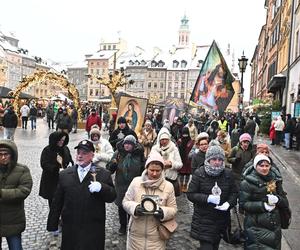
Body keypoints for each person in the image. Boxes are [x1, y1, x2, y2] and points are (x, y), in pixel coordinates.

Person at [47, 139, 116, 250]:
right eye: (78, 152)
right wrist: (53, 223)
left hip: (93, 227)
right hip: (71, 226)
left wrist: (102, 188)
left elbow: (112, 196)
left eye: (84, 153)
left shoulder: (103, 174)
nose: (80, 156)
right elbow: (57, 201)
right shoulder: (65, 175)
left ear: (92, 155)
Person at [122, 151, 177, 250]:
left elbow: (173, 209)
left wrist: (163, 212)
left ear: (162, 170)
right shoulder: (136, 182)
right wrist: (134, 208)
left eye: (158, 170)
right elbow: (125, 202)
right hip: (135, 236)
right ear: (146, 168)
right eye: (151, 170)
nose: (154, 174)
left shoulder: (168, 186)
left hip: (157, 238)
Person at [187, 145, 238, 250]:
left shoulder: (228, 174)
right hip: (204, 220)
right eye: (214, 159)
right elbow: (191, 194)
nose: (217, 162)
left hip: (221, 220)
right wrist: (207, 198)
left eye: (220, 159)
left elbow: (234, 192)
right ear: (208, 160)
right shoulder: (199, 173)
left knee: (215, 246)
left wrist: (228, 204)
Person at [239, 154, 289, 249]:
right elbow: (243, 204)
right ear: (255, 166)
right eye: (261, 166)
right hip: (256, 226)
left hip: (274, 225)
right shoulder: (247, 183)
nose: (264, 168)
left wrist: (278, 199)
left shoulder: (273, 180)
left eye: (267, 165)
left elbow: (284, 202)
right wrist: (262, 206)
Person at [106, 135, 145, 235]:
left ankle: (131, 226)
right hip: (121, 184)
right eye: (125, 143)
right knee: (121, 206)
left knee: (132, 207)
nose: (127, 146)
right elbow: (109, 169)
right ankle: (123, 226)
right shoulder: (118, 153)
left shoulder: (139, 155)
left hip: (134, 185)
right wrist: (112, 165)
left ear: (134, 145)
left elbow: (143, 169)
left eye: (129, 144)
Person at [0, 139, 33, 250]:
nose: (3, 157)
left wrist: (2, 194)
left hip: (13, 220)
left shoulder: (22, 170)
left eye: (6, 154)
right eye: (0, 154)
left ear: (12, 155)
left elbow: (24, 190)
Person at [39, 131, 73, 208]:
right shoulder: (47, 150)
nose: (62, 142)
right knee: (53, 203)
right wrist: (56, 169)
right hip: (52, 180)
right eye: (60, 140)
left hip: (64, 179)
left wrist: (70, 165)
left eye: (63, 140)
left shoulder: (65, 149)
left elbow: (69, 159)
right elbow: (44, 164)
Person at [150, 127, 183, 196]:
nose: (164, 141)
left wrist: (171, 164)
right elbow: (149, 163)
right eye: (162, 139)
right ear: (159, 139)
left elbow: (180, 164)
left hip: (171, 179)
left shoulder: (174, 149)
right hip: (157, 179)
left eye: (166, 139)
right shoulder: (155, 149)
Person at [177, 127, 194, 192]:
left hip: (188, 160)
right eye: (184, 134)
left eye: (186, 134)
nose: (185, 135)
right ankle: (181, 185)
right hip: (181, 159)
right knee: (181, 173)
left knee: (187, 173)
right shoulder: (179, 141)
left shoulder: (191, 141)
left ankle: (186, 185)